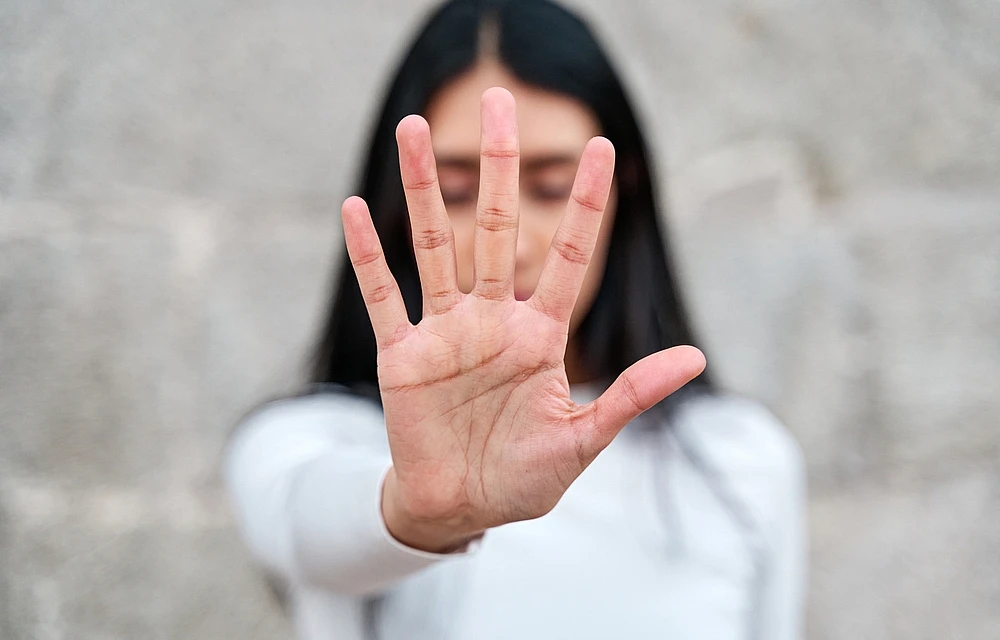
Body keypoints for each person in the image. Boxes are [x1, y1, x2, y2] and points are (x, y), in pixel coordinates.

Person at [224, 1, 807, 638]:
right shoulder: (308, 444)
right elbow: (315, 525)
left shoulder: (741, 459)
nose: (509, 240)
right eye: (454, 191)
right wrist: (420, 513)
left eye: (554, 187)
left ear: (627, 190)